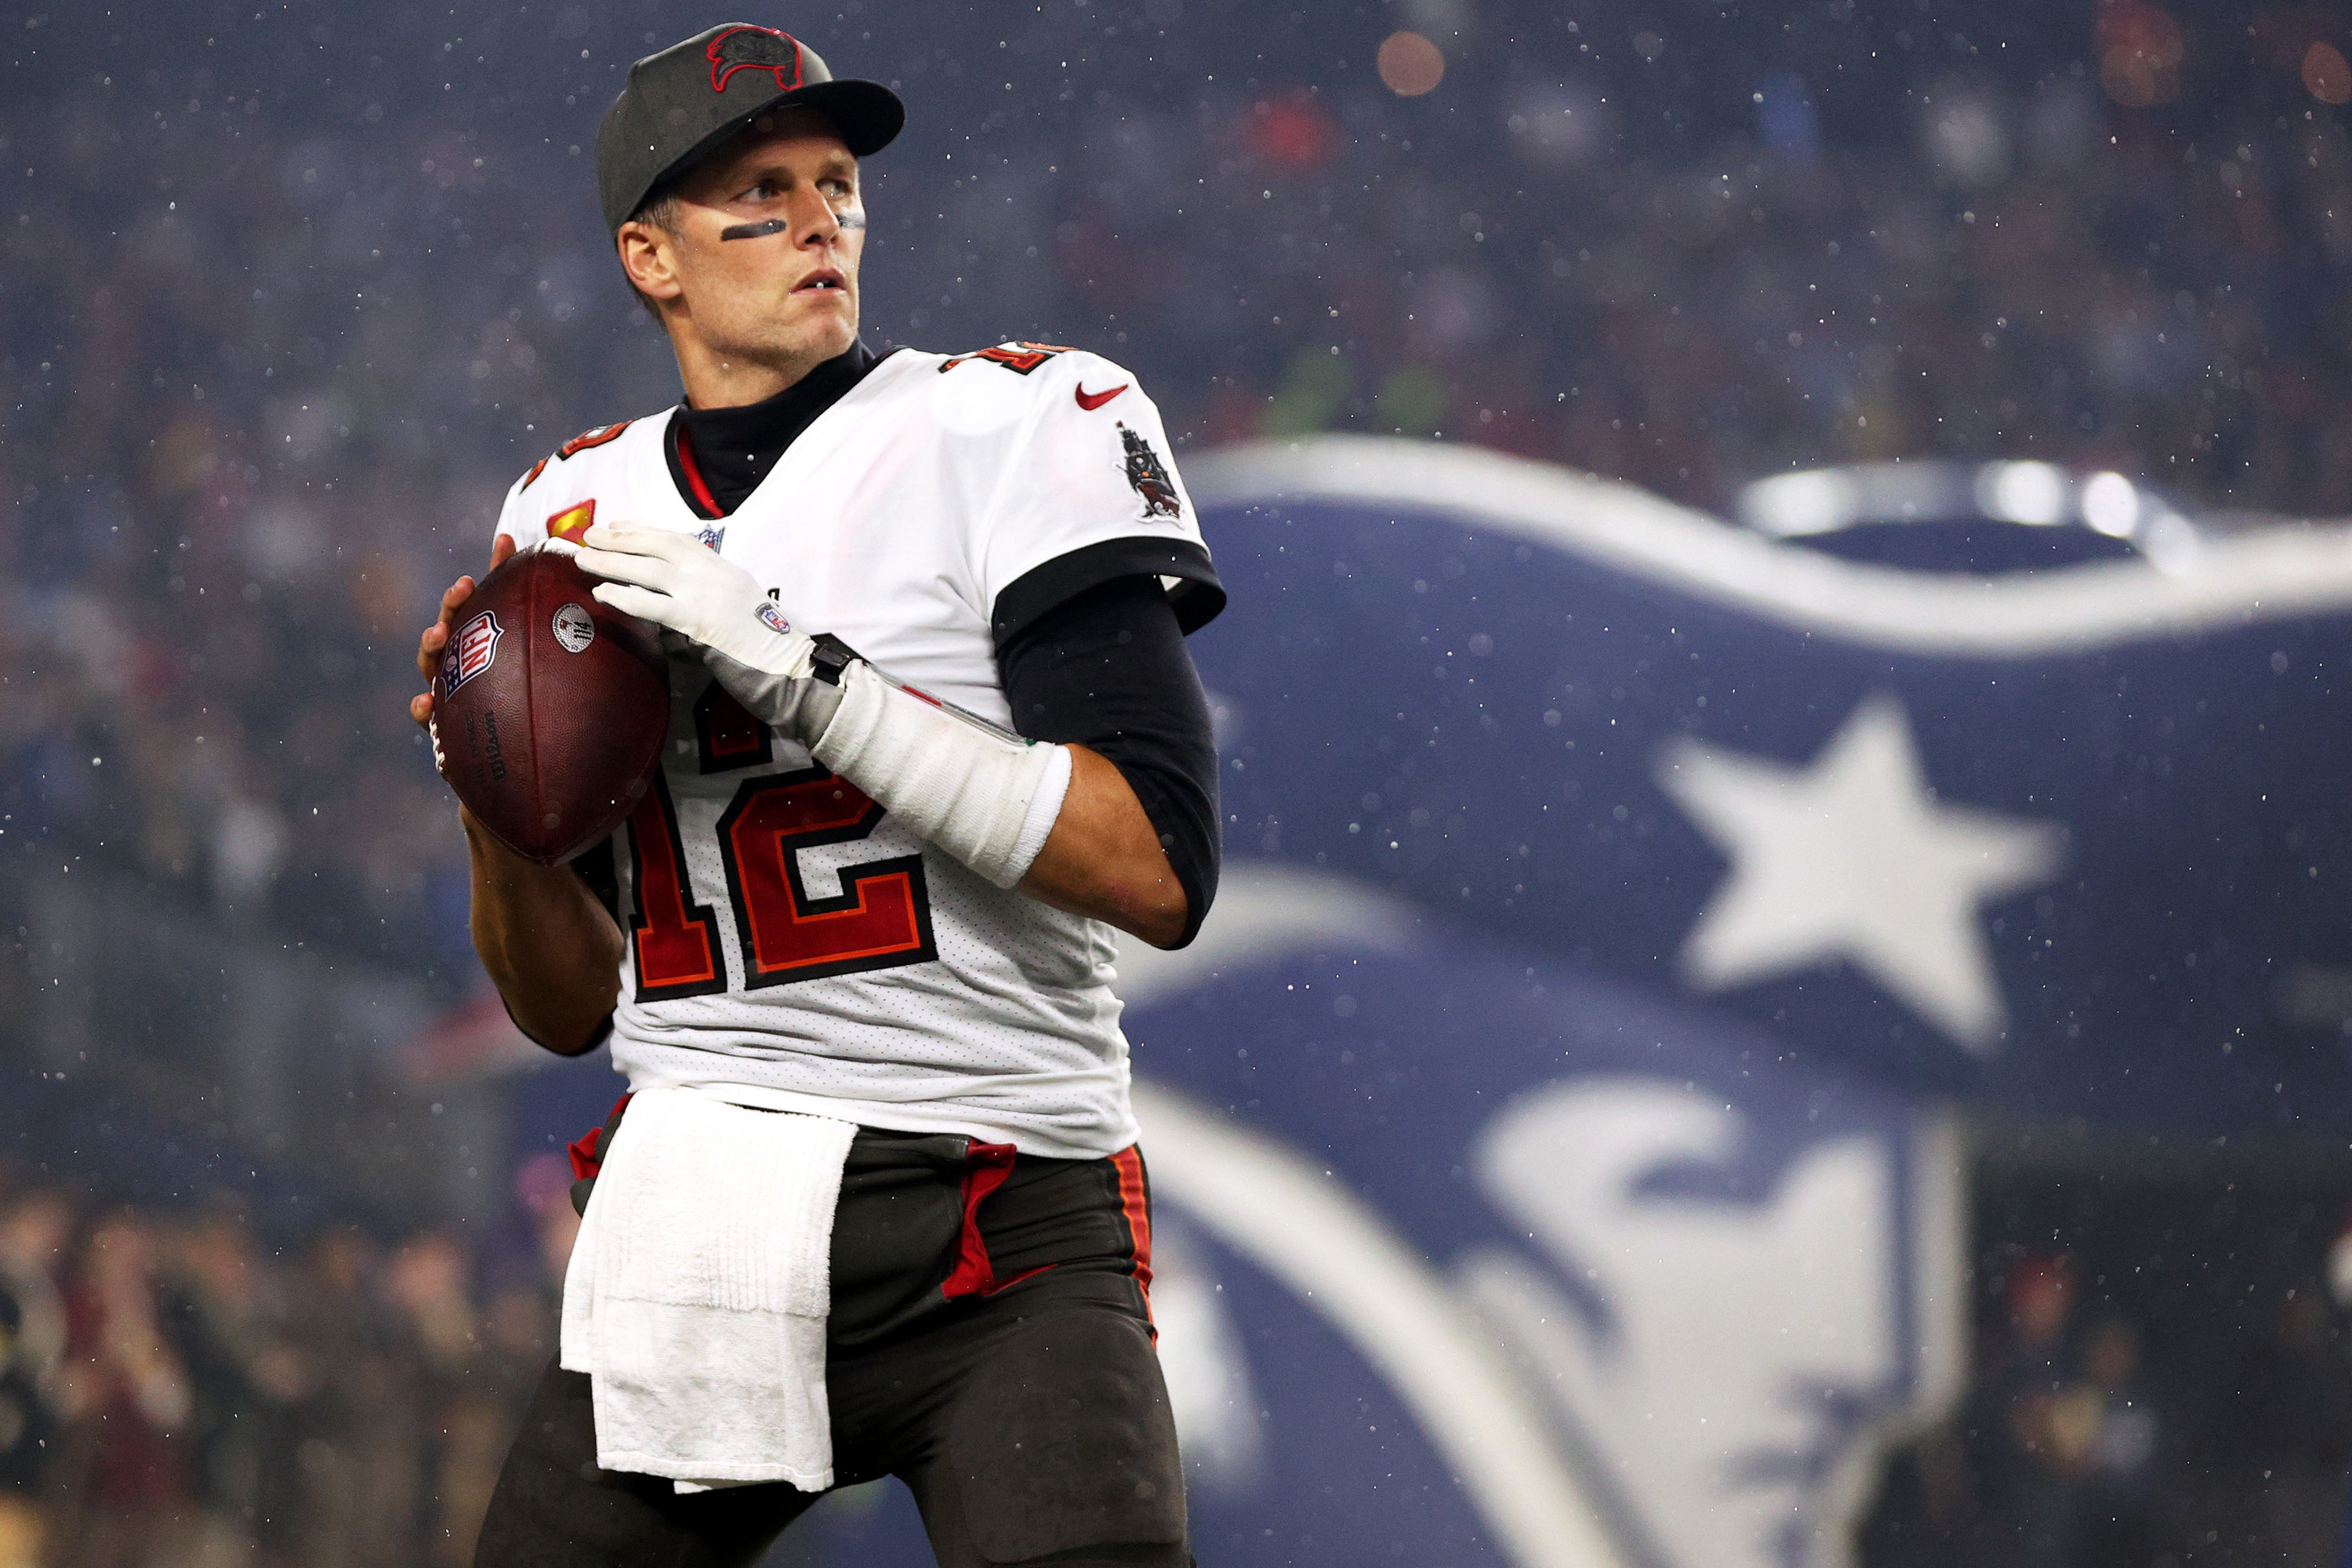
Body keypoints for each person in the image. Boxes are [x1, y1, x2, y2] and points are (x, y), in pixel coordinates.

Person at [408, 23, 1221, 1568]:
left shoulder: (1020, 424)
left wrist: (794, 666)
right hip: (698, 1204)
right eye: (757, 196)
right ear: (650, 257)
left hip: (999, 1196)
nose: (817, 223)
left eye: (836, 185)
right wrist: (486, 801)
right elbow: (568, 1006)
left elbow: (1157, 868)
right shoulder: (568, 510)